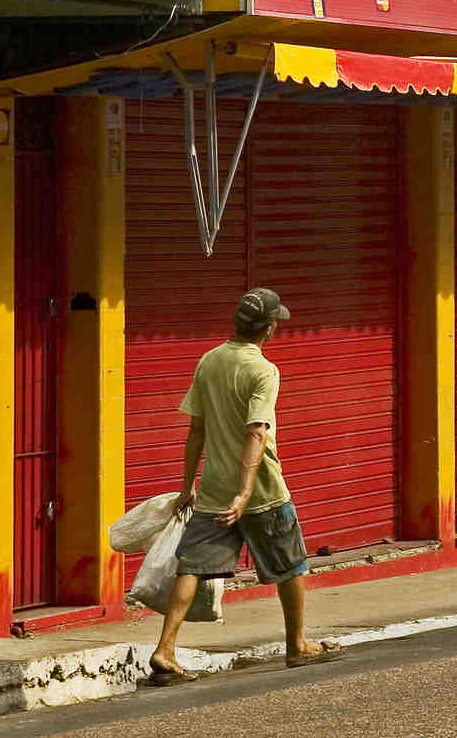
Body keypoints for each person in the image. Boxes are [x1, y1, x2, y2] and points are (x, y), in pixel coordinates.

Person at [149, 288, 342, 687]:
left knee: (192, 566)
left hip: (213, 489)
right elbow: (257, 432)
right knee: (291, 564)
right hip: (261, 490)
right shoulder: (263, 370)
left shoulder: (209, 361)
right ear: (269, 328)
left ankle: (165, 649)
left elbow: (196, 430)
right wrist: (244, 493)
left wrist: (187, 487)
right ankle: (297, 645)